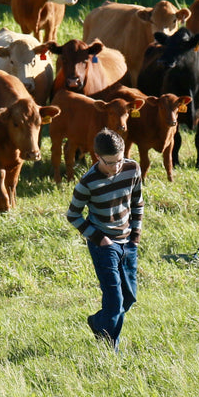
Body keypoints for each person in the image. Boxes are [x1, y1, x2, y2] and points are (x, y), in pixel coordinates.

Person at [66, 128, 144, 351]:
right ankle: (112, 348)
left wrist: (135, 236)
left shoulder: (132, 169)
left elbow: (137, 203)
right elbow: (73, 215)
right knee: (114, 299)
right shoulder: (87, 182)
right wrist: (99, 238)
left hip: (128, 242)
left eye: (119, 160)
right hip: (104, 245)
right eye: (109, 163)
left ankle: (99, 322)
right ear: (97, 157)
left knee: (129, 297)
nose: (115, 167)